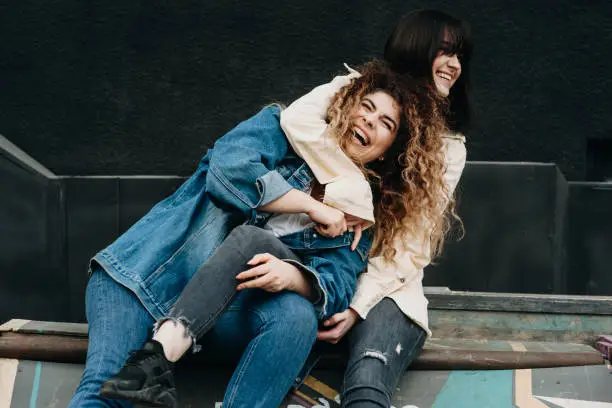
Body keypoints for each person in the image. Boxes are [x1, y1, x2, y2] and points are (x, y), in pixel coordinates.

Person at [69, 60, 447, 407]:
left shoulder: (359, 217)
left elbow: (337, 283)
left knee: (298, 314)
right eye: (366, 106)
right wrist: (312, 206)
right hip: (145, 279)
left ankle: (161, 359)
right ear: (346, 105)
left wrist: (294, 276)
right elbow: (228, 172)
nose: (369, 121)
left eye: (386, 123)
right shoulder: (279, 130)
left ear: (385, 151)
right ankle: (152, 362)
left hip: (221, 316)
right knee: (106, 394)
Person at [280, 9, 472, 407]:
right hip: (318, 264)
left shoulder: (448, 147)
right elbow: (295, 120)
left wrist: (357, 304)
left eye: (460, 57)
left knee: (368, 378)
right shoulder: (361, 92)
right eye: (446, 52)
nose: (455, 66)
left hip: (386, 288)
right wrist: (351, 186)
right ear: (417, 47)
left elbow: (411, 247)